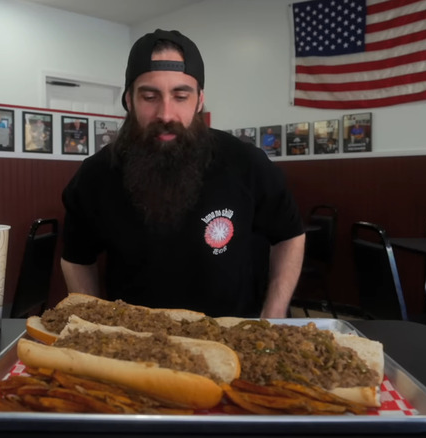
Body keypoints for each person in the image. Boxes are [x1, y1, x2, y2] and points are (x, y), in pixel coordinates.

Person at [60, 29, 305, 318]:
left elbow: (290, 235)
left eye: (180, 96)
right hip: (134, 344)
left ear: (200, 100)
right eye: (150, 96)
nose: (165, 114)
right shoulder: (96, 175)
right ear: (129, 100)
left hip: (233, 337)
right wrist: (94, 321)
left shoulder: (245, 162)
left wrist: (273, 317)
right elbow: (76, 258)